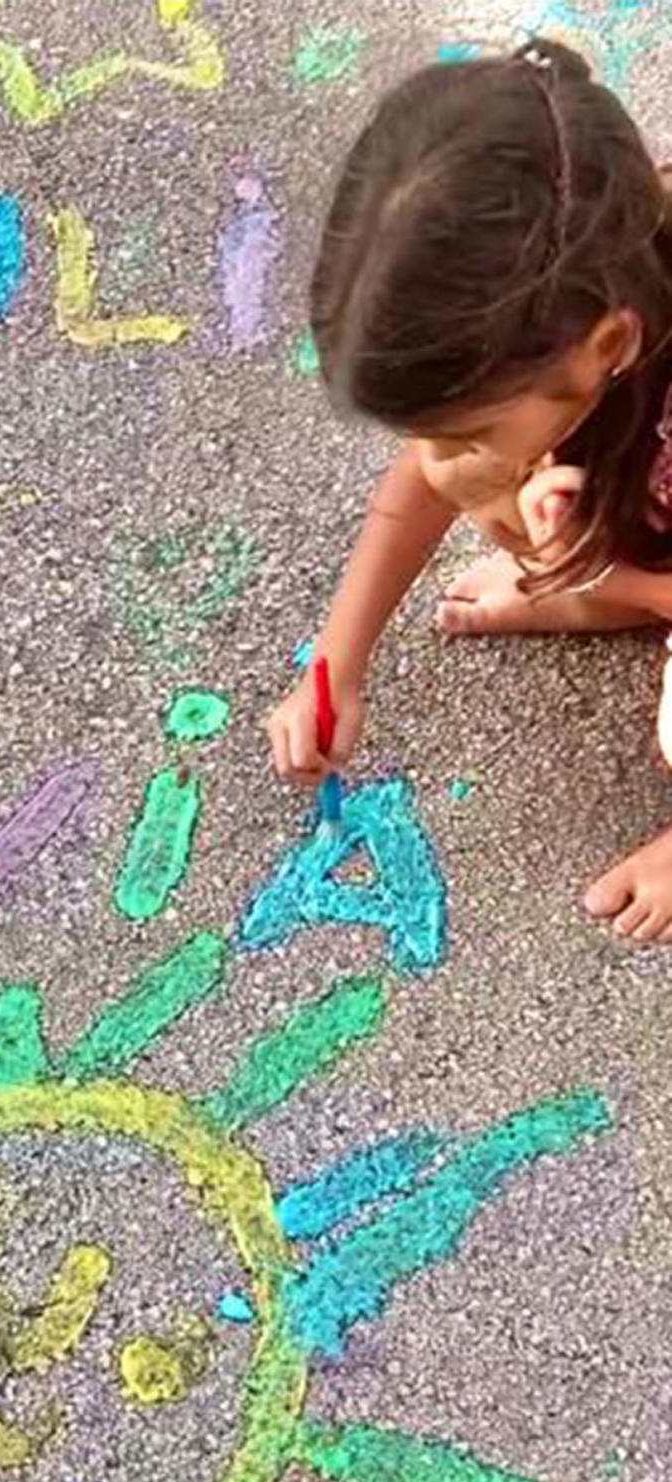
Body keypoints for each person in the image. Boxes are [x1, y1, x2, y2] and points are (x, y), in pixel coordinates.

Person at [267, 36, 672, 944]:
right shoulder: (586, 303)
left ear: (606, 348)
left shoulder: (584, 329)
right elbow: (424, 477)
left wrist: (596, 581)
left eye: (464, 428)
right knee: (514, 489)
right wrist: (336, 668)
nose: (436, 453)